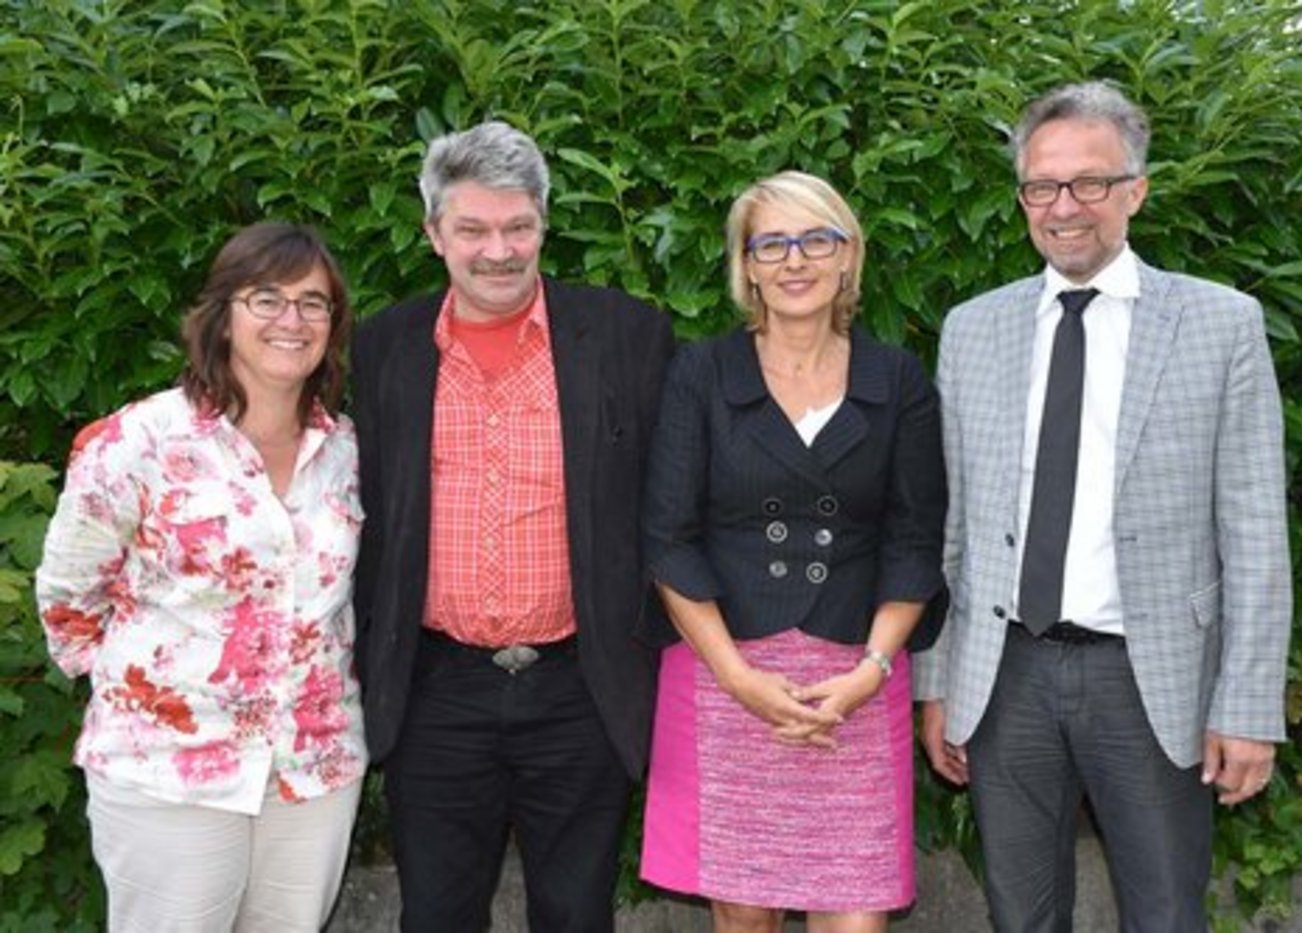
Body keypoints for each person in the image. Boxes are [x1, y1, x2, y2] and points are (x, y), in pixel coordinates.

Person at [914, 80, 1292, 931]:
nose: (1064, 207)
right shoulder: (973, 328)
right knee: (1021, 915)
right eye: (1042, 186)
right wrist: (937, 681)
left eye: (1090, 182)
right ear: (1022, 199)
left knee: (1164, 914)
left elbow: (1257, 530)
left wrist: (1245, 705)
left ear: (1136, 190)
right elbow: (953, 526)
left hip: (1150, 679)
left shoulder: (1219, 324)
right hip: (1003, 676)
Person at [351, 120, 673, 932]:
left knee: (575, 912)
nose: (499, 250)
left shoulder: (629, 335)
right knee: (437, 913)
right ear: (433, 234)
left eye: (518, 226)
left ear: (544, 223)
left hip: (581, 683)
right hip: (436, 688)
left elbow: (670, 503)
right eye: (473, 229)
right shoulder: (386, 345)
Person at [35, 222, 366, 932]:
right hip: (167, 770)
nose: (292, 320)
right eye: (267, 299)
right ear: (222, 315)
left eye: (314, 303)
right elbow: (68, 597)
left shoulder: (344, 451)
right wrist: (158, 688)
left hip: (312, 767)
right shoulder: (139, 441)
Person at [640, 170, 947, 932]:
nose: (794, 260)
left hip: (856, 676)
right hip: (725, 670)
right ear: (745, 265)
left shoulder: (897, 378)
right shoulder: (702, 372)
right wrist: (739, 676)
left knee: (856, 915)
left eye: (817, 239)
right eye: (770, 243)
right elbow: (668, 537)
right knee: (743, 915)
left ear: (848, 258)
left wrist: (868, 673)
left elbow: (914, 539)